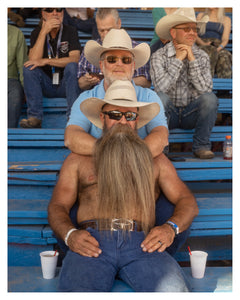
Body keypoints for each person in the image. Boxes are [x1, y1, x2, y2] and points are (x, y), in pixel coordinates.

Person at [48, 80, 198, 292]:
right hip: (92, 242)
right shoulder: (78, 160)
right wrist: (70, 235)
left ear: (137, 120)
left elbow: (187, 201)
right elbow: (58, 206)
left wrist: (170, 228)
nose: (123, 121)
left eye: (129, 116)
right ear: (102, 118)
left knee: (174, 293)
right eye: (115, 115)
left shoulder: (156, 161)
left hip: (142, 244)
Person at [65, 28, 168, 158]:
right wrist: (111, 152)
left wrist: (133, 156)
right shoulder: (85, 98)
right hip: (100, 162)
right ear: (101, 65)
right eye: (112, 59)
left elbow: (160, 134)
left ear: (133, 66)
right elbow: (72, 136)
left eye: (126, 60)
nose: (119, 64)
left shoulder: (149, 97)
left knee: (162, 161)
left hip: (138, 162)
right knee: (73, 161)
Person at [150, 7, 218, 159]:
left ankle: (201, 146)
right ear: (173, 33)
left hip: (191, 114)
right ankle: (162, 149)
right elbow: (160, 88)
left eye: (194, 29)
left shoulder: (202, 56)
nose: (193, 33)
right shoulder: (158, 56)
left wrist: (192, 60)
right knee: (160, 98)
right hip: (169, 114)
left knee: (210, 99)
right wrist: (178, 60)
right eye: (187, 29)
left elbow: (206, 89)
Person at [20, 8, 82, 128]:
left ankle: (73, 118)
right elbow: (33, 61)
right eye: (49, 10)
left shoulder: (70, 31)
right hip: (46, 84)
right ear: (43, 14)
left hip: (66, 84)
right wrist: (43, 32)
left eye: (58, 10)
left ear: (63, 13)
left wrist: (47, 61)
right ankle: (35, 117)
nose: (54, 13)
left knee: (72, 66)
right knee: (29, 69)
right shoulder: (36, 32)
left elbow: (75, 59)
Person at [77, 8, 151, 90]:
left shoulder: (134, 49)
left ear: (119, 23)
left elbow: (146, 82)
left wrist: (116, 80)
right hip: (97, 97)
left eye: (109, 30)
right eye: (101, 30)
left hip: (130, 95)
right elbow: (81, 84)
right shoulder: (91, 50)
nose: (105, 35)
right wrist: (87, 80)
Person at [196, 8, 232, 78]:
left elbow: (225, 39)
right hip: (203, 44)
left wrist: (219, 48)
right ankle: (206, 82)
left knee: (224, 55)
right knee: (210, 52)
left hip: (218, 45)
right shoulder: (201, 16)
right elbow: (195, 35)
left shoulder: (226, 19)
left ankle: (224, 86)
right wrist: (203, 44)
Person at [8, 24, 28, 128]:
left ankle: (9, 133)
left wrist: (26, 89)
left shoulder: (16, 33)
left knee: (16, 92)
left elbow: (23, 65)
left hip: (9, 79)